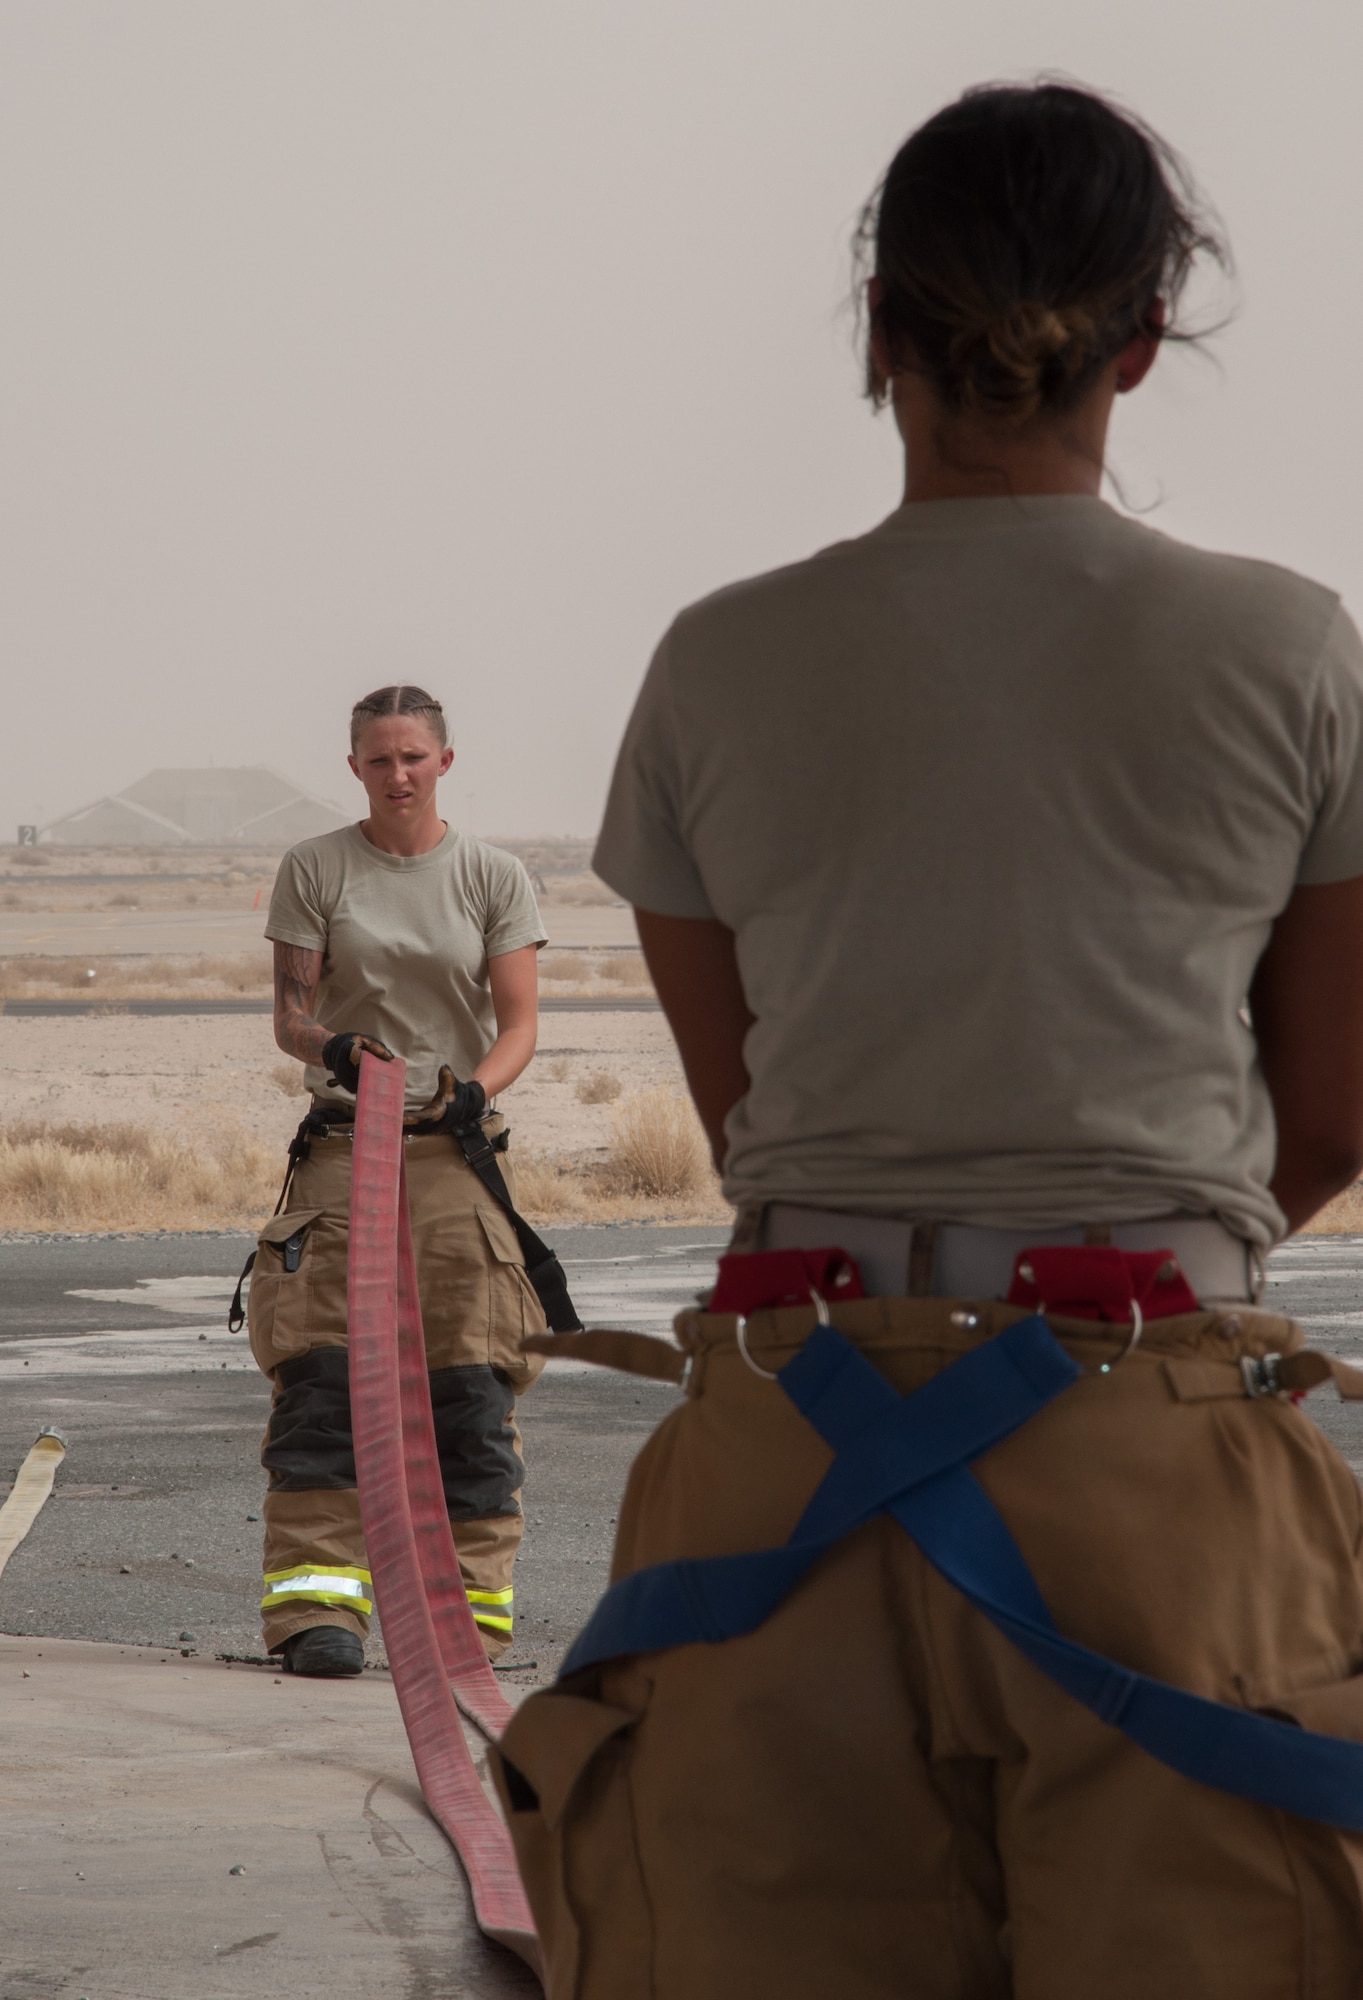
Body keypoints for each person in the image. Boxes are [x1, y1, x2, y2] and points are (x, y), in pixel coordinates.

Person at [495, 83, 1363, 1997]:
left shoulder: (716, 659)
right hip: (1157, 1475)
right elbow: (1331, 1107)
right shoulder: (1291, 651)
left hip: (782, 1468)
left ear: (880, 328)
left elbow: (747, 1114)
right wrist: (1143, 1278)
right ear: (1141, 339)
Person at [246, 683, 548, 1678]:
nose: (398, 773)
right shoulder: (317, 866)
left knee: (470, 1380)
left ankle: (464, 1615)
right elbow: (290, 1014)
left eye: (414, 755)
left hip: (455, 1150)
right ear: (356, 768)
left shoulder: (492, 874)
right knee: (322, 1381)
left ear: (444, 761)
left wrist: (470, 1092)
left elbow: (519, 1026)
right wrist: (334, 1044)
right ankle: (316, 1609)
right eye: (379, 758)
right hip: (345, 1144)